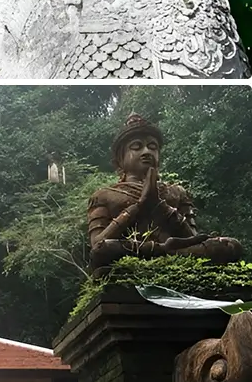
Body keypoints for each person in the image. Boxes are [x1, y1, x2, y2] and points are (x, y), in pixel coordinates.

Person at [88, 114, 242, 274]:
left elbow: (192, 237)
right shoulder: (104, 195)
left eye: (152, 147)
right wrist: (139, 205)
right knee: (103, 250)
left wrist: (160, 206)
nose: (146, 151)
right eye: (136, 147)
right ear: (120, 159)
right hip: (131, 252)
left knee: (230, 246)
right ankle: (166, 251)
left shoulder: (176, 192)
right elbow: (97, 243)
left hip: (180, 251)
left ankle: (168, 252)